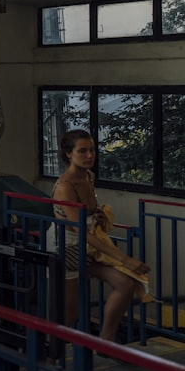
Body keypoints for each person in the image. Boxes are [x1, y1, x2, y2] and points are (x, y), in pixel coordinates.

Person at [52, 129, 150, 343]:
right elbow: (81, 232)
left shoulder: (88, 176)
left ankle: (105, 341)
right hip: (67, 249)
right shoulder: (65, 187)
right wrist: (123, 259)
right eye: (82, 151)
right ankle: (47, 363)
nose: (89, 156)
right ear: (69, 154)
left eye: (92, 150)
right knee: (70, 314)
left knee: (126, 284)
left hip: (88, 246)